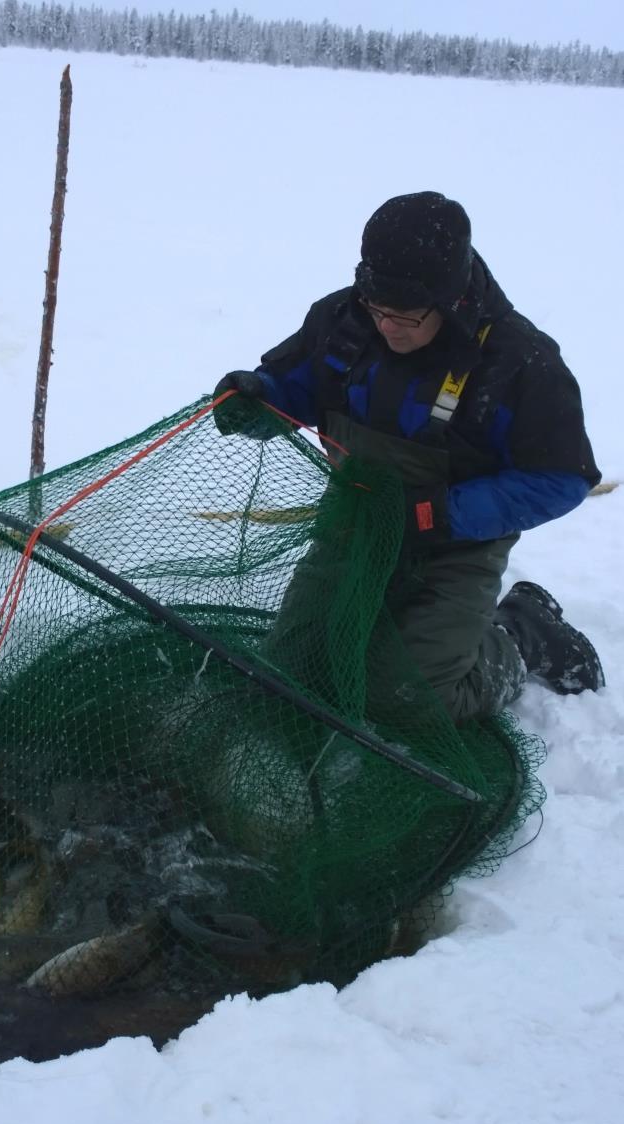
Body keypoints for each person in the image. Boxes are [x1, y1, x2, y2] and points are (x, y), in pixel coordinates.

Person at [213, 191, 604, 724]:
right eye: (377, 308)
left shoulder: (517, 362)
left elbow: (560, 479)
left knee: (407, 695)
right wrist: (258, 398)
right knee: (293, 669)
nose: (385, 326)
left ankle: (521, 633)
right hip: (355, 525)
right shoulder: (344, 319)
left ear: (451, 299)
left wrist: (439, 514)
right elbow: (297, 384)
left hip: (455, 547)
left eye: (404, 315)